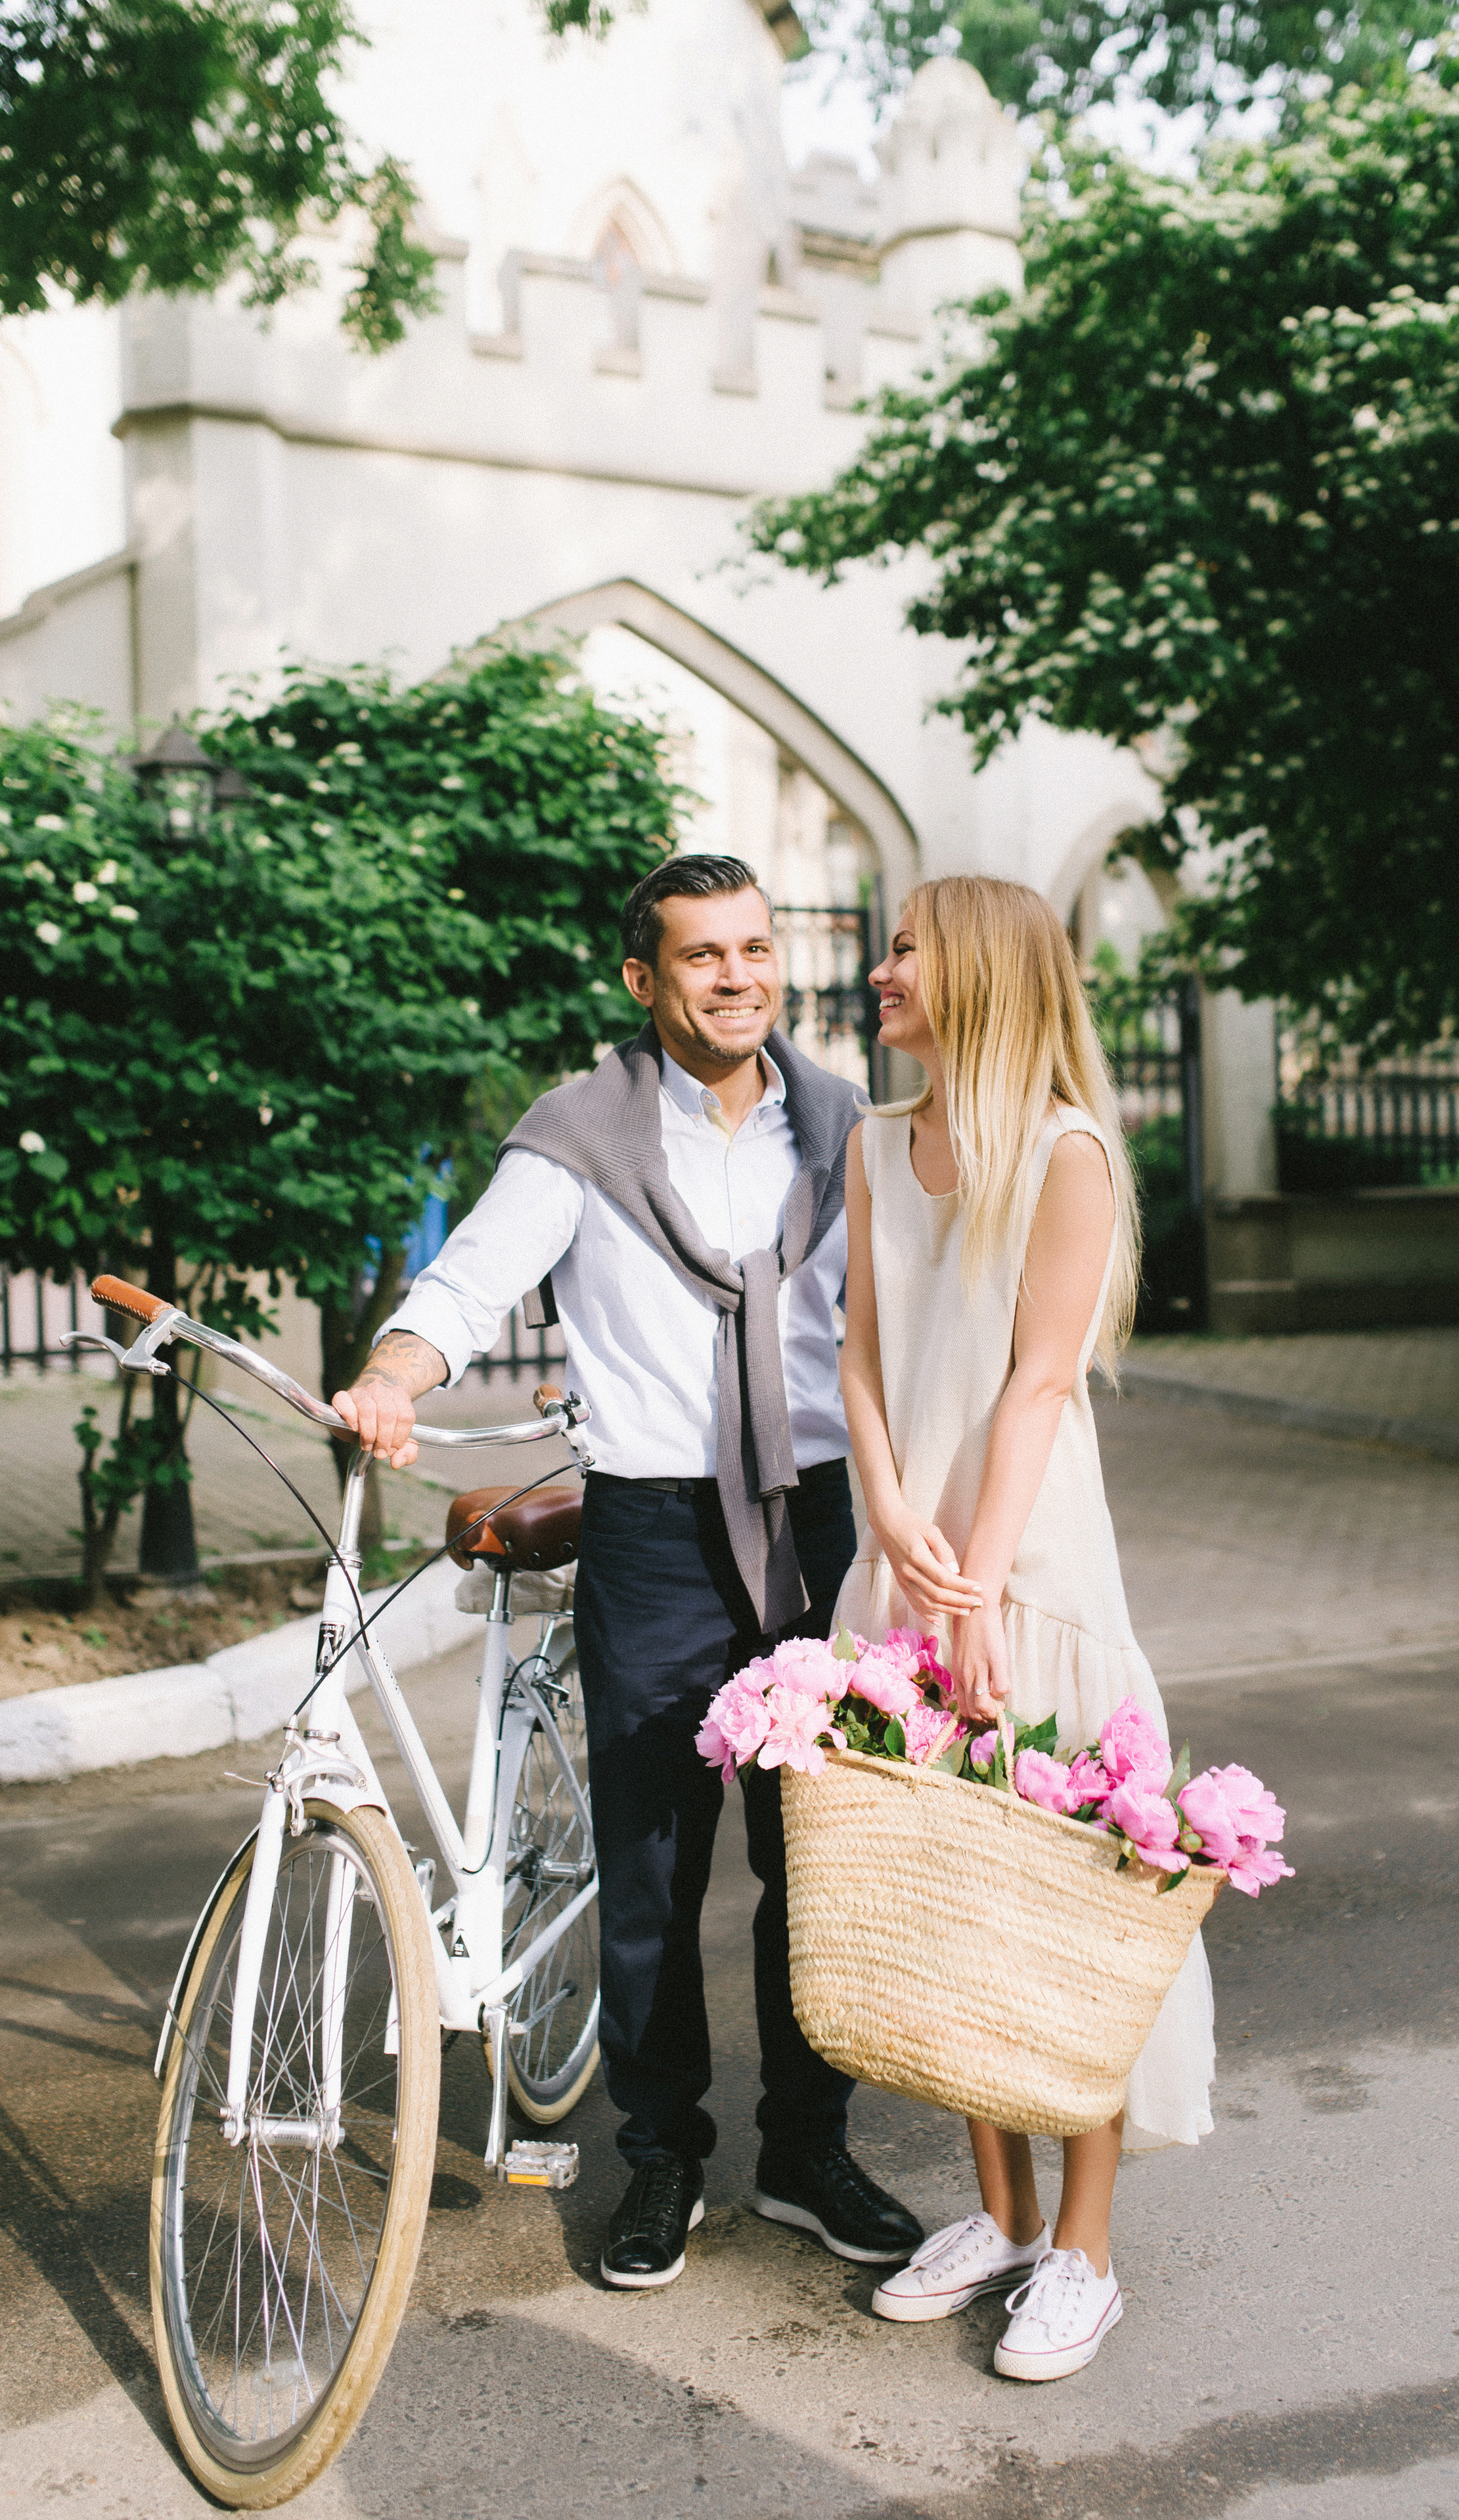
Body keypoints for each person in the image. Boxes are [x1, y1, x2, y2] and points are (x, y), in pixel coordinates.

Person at [333, 853, 922, 2290]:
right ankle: (661, 2157)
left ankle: (806, 2147)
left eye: (755, 949)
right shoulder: (579, 1133)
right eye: (702, 956)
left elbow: (911, 1314)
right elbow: (467, 1283)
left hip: (822, 1521)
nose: (737, 977)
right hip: (655, 1530)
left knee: (821, 1861)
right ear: (642, 980)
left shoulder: (845, 1124)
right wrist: (392, 1374)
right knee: (652, 1862)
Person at [830, 874, 1217, 2382]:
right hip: (909, 1557)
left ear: (980, 971)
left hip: (1026, 1573)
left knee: (1062, 1911)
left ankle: (1082, 2248)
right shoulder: (873, 1146)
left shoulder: (1065, 1153)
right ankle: (992, 2216)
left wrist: (976, 1590)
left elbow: (1037, 1387)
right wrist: (884, 1517)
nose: (881, 967)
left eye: (908, 946)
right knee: (939, 1899)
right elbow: (860, 1361)